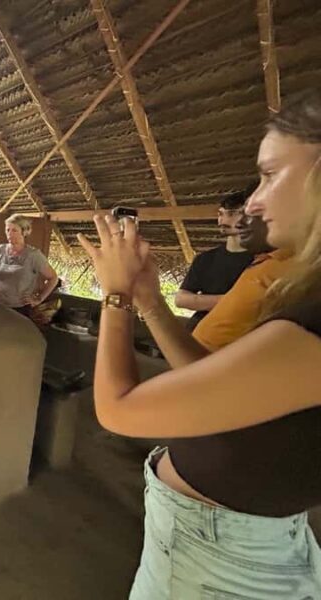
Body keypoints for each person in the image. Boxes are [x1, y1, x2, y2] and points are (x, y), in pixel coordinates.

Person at [76, 88, 321, 599]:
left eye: (270, 174)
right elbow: (217, 384)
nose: (253, 200)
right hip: (228, 544)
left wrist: (115, 295)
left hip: (222, 563)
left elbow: (117, 410)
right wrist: (148, 301)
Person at [192, 210, 293, 351]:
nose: (240, 224)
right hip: (195, 344)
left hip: (205, 361)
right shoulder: (265, 261)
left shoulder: (292, 270)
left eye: (253, 214)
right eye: (219, 214)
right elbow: (181, 300)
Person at [176, 191, 254, 330]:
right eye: (220, 214)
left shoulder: (263, 259)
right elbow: (181, 299)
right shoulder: (206, 259)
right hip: (199, 330)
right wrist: (230, 301)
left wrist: (203, 301)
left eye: (230, 214)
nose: (221, 220)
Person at [0, 214, 60, 327]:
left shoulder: (33, 255)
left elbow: (53, 278)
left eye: (14, 230)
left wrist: (39, 299)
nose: (10, 234)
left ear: (24, 232)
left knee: (13, 342)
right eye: (7, 230)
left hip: (19, 309)